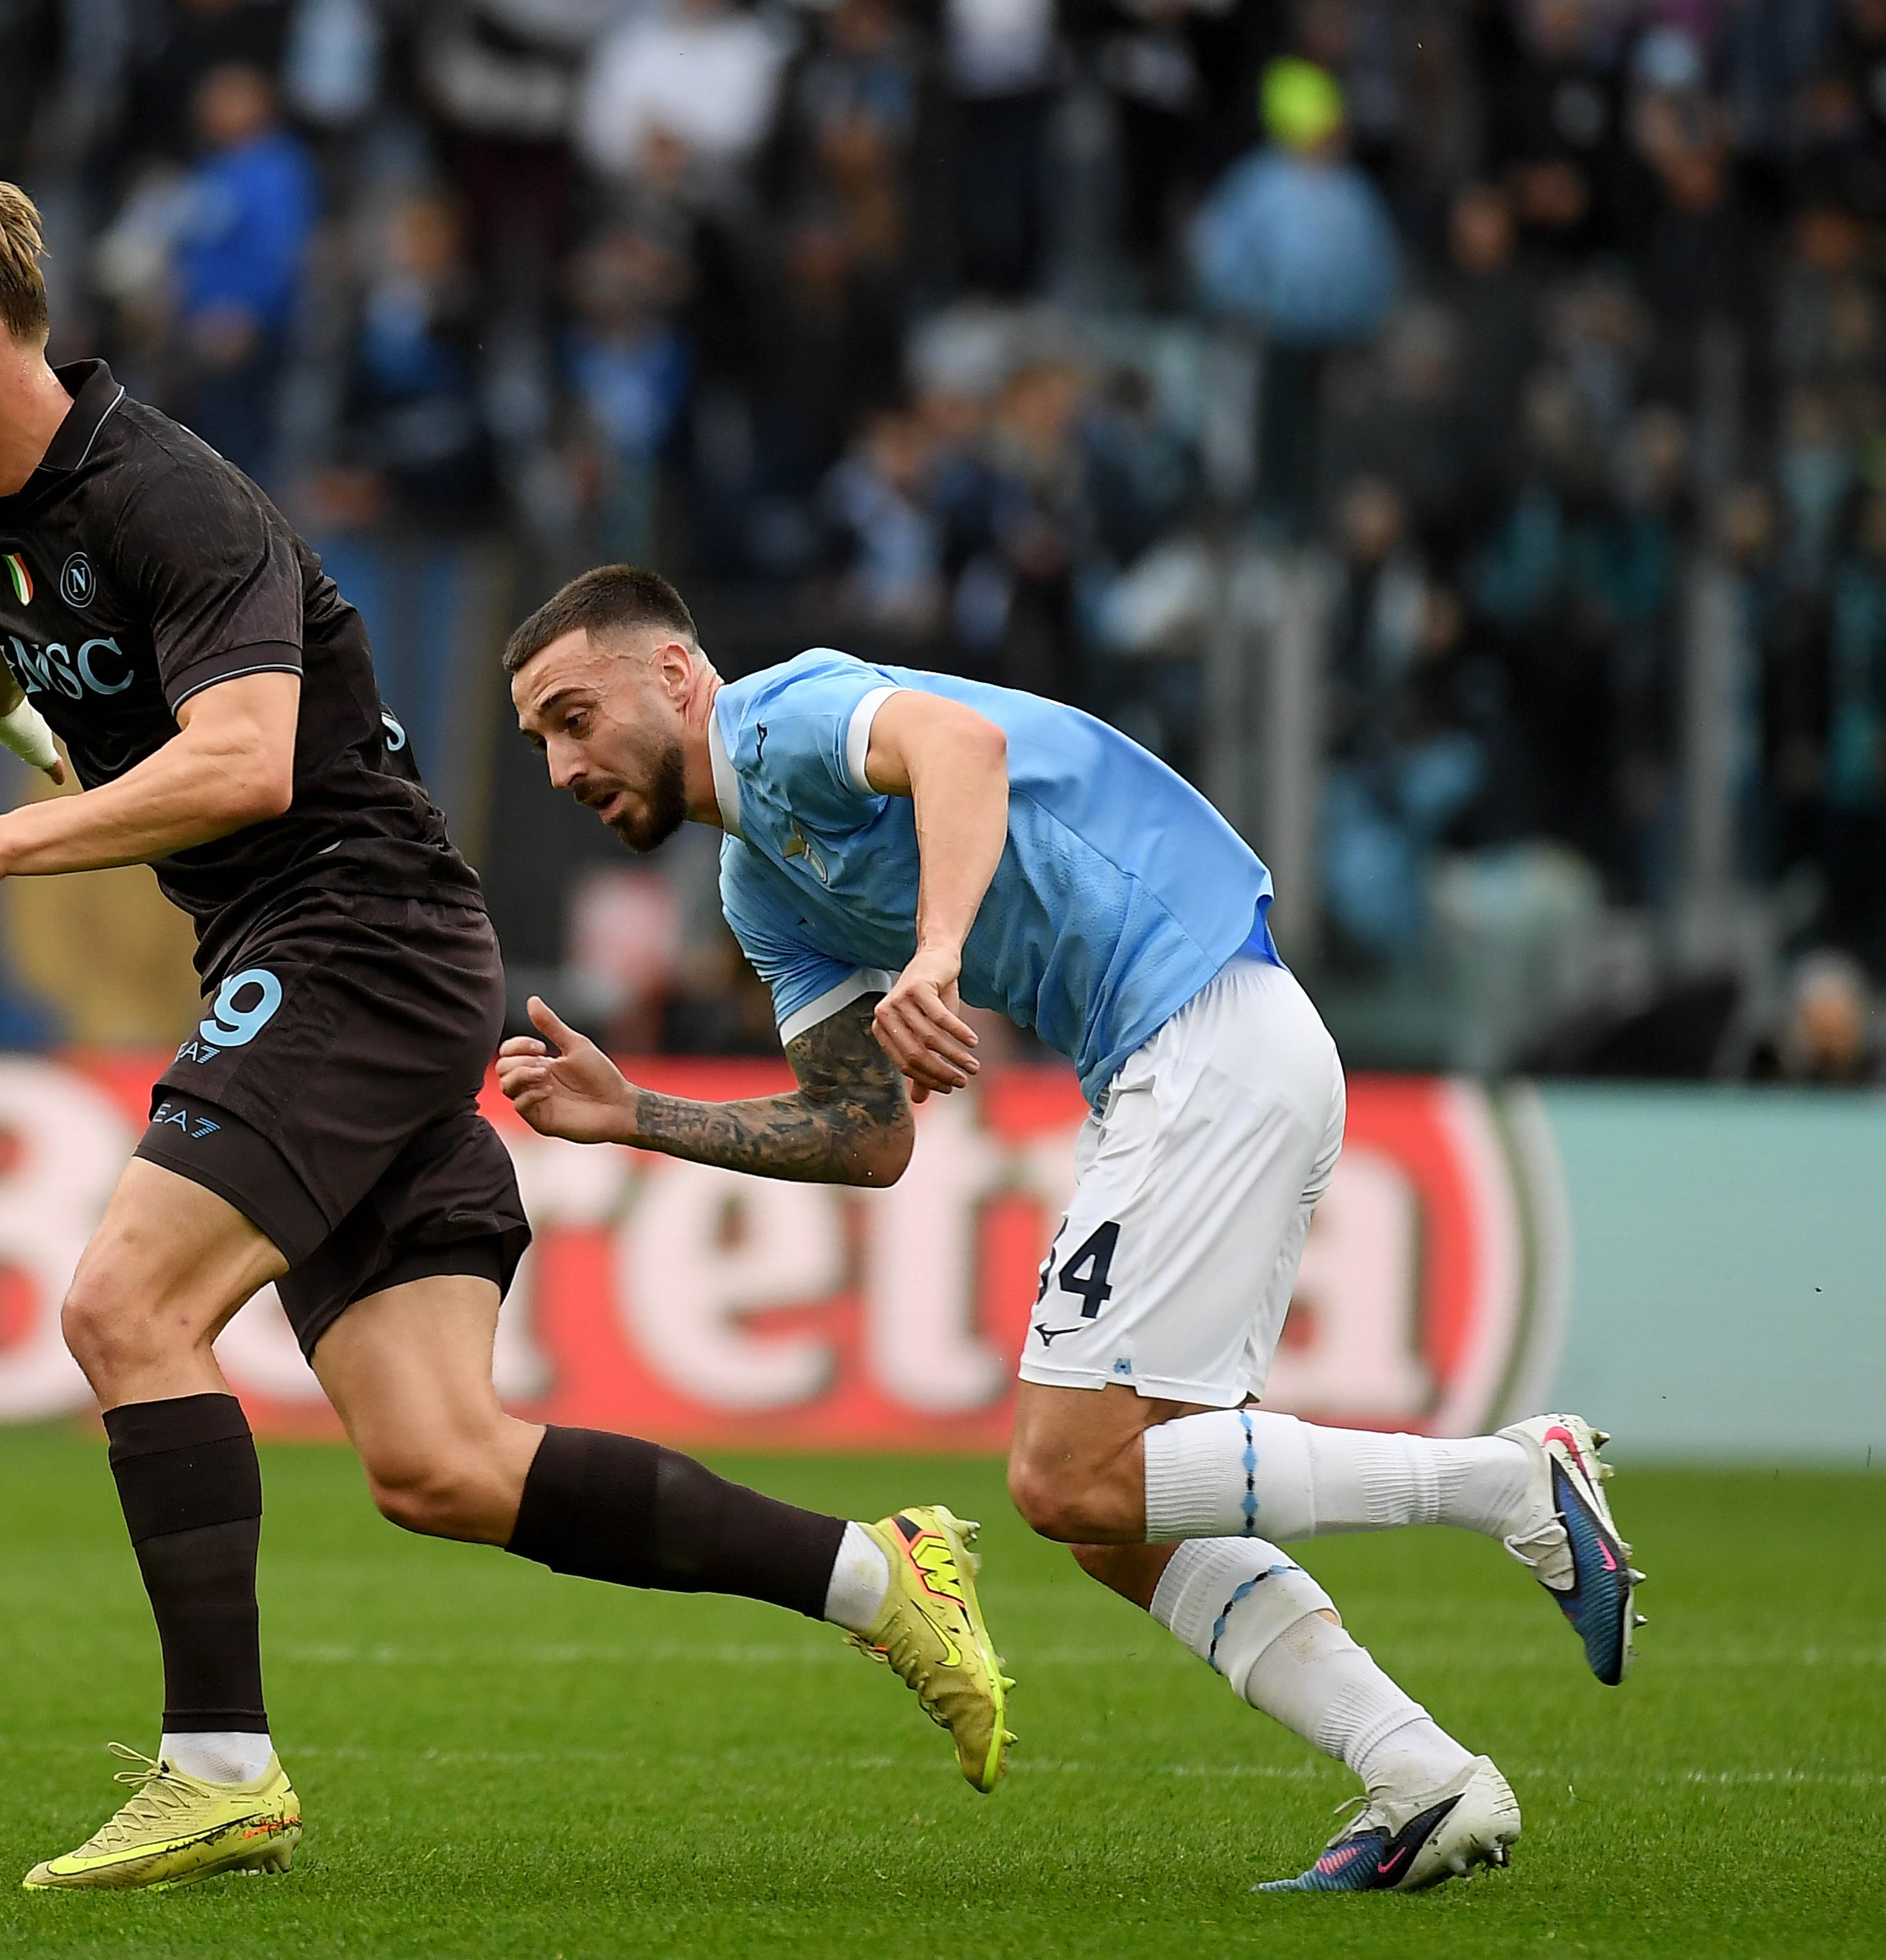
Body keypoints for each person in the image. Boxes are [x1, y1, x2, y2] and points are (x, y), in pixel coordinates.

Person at [0, 172, 1011, 1894]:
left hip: (354, 943)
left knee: (121, 1302)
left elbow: (247, 762)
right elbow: (127, 756)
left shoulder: (166, 495)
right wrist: (22, 717)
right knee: (442, 1460)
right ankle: (883, 1576)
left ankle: (218, 1765)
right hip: (315, 952)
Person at [496, 565, 1645, 1895]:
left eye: (574, 716)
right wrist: (634, 1111)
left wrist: (934, 953)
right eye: (537, 739)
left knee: (1062, 1475)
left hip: (1202, 1027)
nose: (560, 764)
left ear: (676, 677)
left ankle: (1508, 1482)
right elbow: (866, 1134)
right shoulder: (762, 885)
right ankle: (1421, 1773)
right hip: (1191, 1058)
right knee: (1116, 1515)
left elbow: (958, 744)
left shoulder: (777, 717)